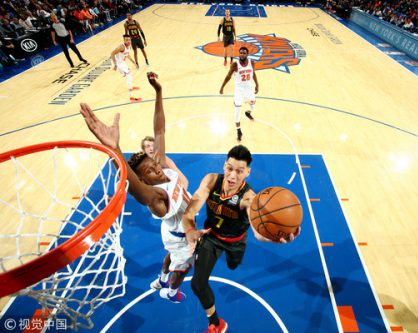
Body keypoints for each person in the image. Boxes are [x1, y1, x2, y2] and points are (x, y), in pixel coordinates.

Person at [80, 72, 192, 303]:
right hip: (180, 235)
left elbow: (159, 130)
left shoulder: (162, 171)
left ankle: (161, 278)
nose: (157, 168)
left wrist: (159, 92)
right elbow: (133, 185)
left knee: (170, 254)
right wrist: (114, 149)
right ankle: (169, 292)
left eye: (154, 164)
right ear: (145, 181)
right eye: (150, 171)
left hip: (172, 231)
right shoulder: (157, 198)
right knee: (184, 265)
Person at [182, 145, 298, 333]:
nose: (232, 176)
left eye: (239, 171)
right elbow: (190, 212)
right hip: (210, 236)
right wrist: (189, 231)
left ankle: (232, 259)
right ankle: (215, 323)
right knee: (197, 284)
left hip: (235, 241)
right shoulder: (211, 181)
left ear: (247, 172)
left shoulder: (249, 198)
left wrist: (271, 238)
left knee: (233, 265)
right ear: (224, 165)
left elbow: (258, 231)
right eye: (229, 168)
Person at [219, 46, 259, 142]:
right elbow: (228, 76)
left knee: (253, 105)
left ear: (247, 54)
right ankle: (239, 131)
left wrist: (257, 85)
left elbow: (253, 74)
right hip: (239, 90)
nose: (242, 54)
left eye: (244, 53)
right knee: (237, 110)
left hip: (249, 89)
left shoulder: (252, 63)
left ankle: (247, 112)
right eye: (240, 52)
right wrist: (222, 87)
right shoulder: (235, 65)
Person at [110, 34, 141, 102]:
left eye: (129, 40)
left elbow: (127, 55)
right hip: (117, 63)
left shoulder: (129, 45)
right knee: (128, 75)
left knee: (129, 73)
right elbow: (112, 53)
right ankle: (131, 97)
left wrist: (134, 63)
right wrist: (115, 65)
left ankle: (131, 87)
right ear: (124, 40)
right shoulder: (121, 47)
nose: (128, 41)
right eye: (126, 40)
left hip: (122, 62)